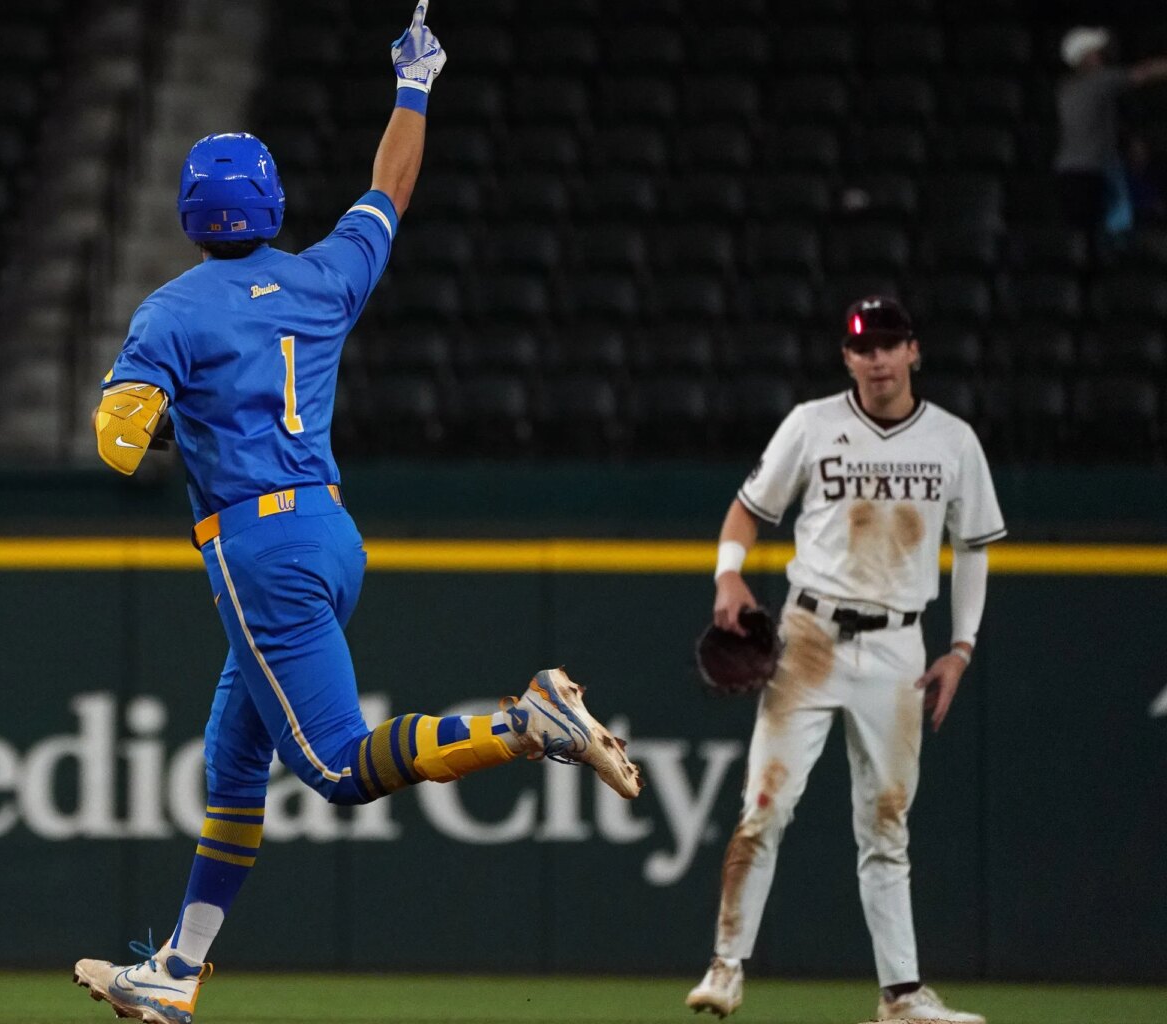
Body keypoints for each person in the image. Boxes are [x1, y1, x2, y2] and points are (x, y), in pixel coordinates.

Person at [73, 6, 642, 1023]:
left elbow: (117, 446)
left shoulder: (171, 309)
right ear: (272, 203)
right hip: (331, 533)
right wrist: (413, 84)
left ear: (188, 213)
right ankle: (177, 969)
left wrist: (159, 416)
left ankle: (524, 723)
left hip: (257, 547)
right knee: (234, 756)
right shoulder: (322, 276)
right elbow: (392, 186)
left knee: (335, 766)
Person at [684, 298, 1004, 1024]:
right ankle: (726, 967)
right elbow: (748, 510)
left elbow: (976, 546)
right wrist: (728, 575)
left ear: (914, 352)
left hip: (899, 645)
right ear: (847, 357)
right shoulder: (812, 423)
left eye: (890, 344)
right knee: (764, 807)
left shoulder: (954, 441)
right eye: (864, 347)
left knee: (887, 825)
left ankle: (901, 996)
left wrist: (961, 647)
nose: (878, 358)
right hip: (810, 639)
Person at [1054, 26, 1167, 237]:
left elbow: (1099, 120)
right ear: (1084, 58)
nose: (1102, 56)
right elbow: (1145, 73)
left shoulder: (1069, 86)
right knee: (1090, 236)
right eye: (1096, 52)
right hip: (1087, 173)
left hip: (1077, 171)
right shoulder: (1098, 81)